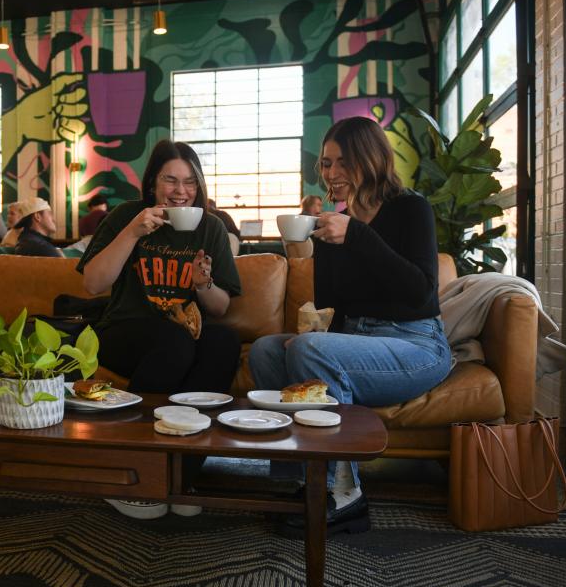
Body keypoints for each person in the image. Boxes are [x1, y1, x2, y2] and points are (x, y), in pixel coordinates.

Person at [249, 117, 452, 534]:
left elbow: (421, 293)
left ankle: (345, 495)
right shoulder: (334, 223)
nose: (332, 173)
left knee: (307, 350)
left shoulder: (410, 209)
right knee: (266, 349)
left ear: (371, 158)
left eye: (343, 161)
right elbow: (333, 309)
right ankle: (303, 484)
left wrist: (357, 235)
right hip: (357, 341)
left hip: (415, 345)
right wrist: (312, 250)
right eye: (326, 163)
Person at [77, 140, 242, 520]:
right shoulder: (125, 217)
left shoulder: (210, 228)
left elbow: (220, 308)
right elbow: (92, 284)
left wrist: (203, 284)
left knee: (223, 341)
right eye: (170, 180)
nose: (180, 191)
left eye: (190, 182)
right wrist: (133, 233)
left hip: (181, 332)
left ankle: (182, 476)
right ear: (153, 183)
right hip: (123, 330)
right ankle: (131, 471)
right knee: (175, 342)